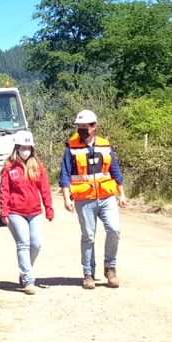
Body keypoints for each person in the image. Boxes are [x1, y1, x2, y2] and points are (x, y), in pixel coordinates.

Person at [60, 110, 128, 289]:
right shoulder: (71, 147)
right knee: (88, 237)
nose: (82, 129)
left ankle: (110, 268)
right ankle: (88, 273)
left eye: (85, 127)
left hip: (107, 197)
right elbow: (65, 175)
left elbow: (115, 171)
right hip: (84, 199)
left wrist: (122, 193)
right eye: (79, 126)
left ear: (94, 126)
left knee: (114, 230)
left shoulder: (105, 145)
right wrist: (67, 198)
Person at [0, 130, 54, 295]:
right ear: (16, 148)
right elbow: (4, 191)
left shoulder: (37, 166)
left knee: (36, 244)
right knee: (23, 243)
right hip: (16, 212)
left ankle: (24, 271)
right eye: (22, 147)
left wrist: (49, 209)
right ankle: (29, 280)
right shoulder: (9, 167)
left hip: (35, 212)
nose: (25, 150)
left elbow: (45, 189)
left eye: (28, 147)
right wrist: (4, 212)